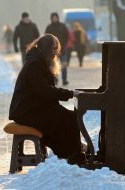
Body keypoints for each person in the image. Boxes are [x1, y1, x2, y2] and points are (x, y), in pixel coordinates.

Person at [9, 34, 85, 164]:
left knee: (66, 116)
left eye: (57, 48)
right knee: (68, 118)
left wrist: (65, 96)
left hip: (32, 107)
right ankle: (72, 155)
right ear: (45, 48)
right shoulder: (35, 65)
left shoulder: (38, 61)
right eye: (53, 48)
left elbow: (45, 91)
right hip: (25, 112)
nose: (55, 52)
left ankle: (71, 151)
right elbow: (45, 90)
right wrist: (69, 93)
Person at [45, 12, 69, 86]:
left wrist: (63, 44)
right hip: (52, 51)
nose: (54, 19)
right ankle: (55, 80)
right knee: (53, 66)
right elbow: (46, 37)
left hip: (62, 50)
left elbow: (67, 36)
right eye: (53, 17)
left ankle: (64, 80)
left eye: (55, 17)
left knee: (64, 65)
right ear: (51, 18)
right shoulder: (49, 27)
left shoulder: (63, 26)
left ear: (58, 18)